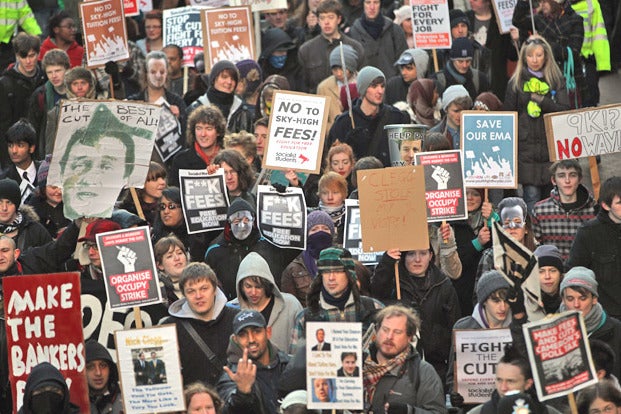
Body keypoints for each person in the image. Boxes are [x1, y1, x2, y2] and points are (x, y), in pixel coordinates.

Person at [371, 243, 461, 382]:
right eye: (411, 253)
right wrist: (387, 262)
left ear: (431, 256)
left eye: (423, 253)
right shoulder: (394, 282)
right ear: (403, 257)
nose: (417, 259)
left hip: (437, 365)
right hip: (399, 364)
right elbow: (377, 291)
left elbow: (455, 327)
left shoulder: (443, 285)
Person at [503, 35, 570, 211]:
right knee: (531, 199)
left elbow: (564, 111)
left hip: (550, 150)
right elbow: (509, 117)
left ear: (546, 56)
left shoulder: (556, 79)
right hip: (527, 152)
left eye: (539, 55)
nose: (535, 60)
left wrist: (542, 101)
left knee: (552, 201)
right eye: (530, 56)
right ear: (524, 58)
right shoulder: (516, 82)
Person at [58, 104, 152, 219]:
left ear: (126, 175)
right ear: (62, 170)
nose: (90, 180)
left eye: (106, 167)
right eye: (80, 165)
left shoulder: (128, 227)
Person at [290, 247, 384, 353]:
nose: (331, 277)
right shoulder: (305, 317)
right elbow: (294, 363)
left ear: (349, 274)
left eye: (338, 271)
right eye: (326, 272)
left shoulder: (374, 308)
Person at [206, 198, 298, 301]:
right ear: (229, 224)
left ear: (253, 221)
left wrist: (284, 198)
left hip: (268, 304)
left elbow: (294, 244)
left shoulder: (268, 243)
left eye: (246, 220)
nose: (242, 226)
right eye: (237, 221)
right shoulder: (215, 250)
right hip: (233, 308)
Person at [163, 262, 238, 386]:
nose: (198, 296)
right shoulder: (170, 328)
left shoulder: (237, 319)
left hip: (233, 400)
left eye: (204, 289)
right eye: (191, 291)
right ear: (184, 294)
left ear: (214, 289)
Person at [363, 305, 447, 414]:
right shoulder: (355, 366)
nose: (389, 336)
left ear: (409, 337)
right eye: (385, 330)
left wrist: (409, 411)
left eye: (397, 332)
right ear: (377, 330)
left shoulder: (423, 372)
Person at [448, 270, 512, 410]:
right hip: (472, 408)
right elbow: (451, 376)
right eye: (495, 300)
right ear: (483, 301)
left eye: (506, 300)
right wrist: (455, 393)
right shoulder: (464, 328)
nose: (502, 307)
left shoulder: (516, 329)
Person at [327, 66, 410, 167]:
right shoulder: (344, 122)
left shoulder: (396, 117)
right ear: (363, 88)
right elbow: (331, 160)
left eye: (382, 86)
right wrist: (349, 146)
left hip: (390, 179)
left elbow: (408, 156)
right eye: (374, 86)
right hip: (357, 180)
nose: (380, 91)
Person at [567, 176, 621, 319]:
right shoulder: (588, 233)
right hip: (605, 316)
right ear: (606, 205)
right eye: (620, 203)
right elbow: (574, 273)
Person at [217, 310, 289, 414]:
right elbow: (226, 410)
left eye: (256, 331)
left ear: (268, 332)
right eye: (243, 334)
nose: (251, 339)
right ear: (235, 339)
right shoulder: (232, 375)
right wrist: (242, 393)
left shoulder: (288, 364)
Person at [229, 252, 303, 352]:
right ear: (240, 286)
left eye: (258, 287)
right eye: (248, 286)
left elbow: (302, 347)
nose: (253, 292)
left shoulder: (291, 305)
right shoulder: (230, 310)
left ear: (267, 284)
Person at [127, 50, 187, 166]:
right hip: (142, 166)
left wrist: (179, 119)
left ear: (167, 73)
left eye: (162, 72)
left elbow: (186, 139)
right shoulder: (134, 102)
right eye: (153, 72)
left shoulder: (177, 102)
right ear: (146, 73)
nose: (158, 76)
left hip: (169, 166)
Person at [532, 159, 596, 261]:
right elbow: (537, 246)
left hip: (584, 270)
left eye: (572, 175)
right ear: (554, 180)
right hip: (552, 271)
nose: (567, 181)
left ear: (580, 179)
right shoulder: (540, 210)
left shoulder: (594, 210)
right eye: (561, 176)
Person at [467, 345, 560, 414]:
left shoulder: (547, 412)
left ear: (528, 383)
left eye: (510, 381)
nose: (503, 388)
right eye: (499, 380)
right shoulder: (480, 412)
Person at [297, 0, 365, 93]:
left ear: (339, 19)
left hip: (347, 103)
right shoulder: (306, 50)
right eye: (322, 18)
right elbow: (303, 87)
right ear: (318, 20)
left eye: (331, 17)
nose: (326, 22)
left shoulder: (355, 47)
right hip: (317, 102)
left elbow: (362, 82)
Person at [0, 33, 46, 167]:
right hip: (17, 151)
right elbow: (3, 125)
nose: (28, 61)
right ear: (16, 56)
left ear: (38, 53)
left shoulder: (46, 76)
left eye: (32, 55)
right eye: (23, 56)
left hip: (42, 145)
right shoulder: (5, 84)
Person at [452, 188, 498, 316]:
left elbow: (502, 247)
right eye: (466, 193)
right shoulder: (449, 223)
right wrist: (477, 244)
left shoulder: (493, 218)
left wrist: (493, 220)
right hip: (461, 293)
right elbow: (452, 262)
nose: (470, 198)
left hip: (488, 290)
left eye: (476, 194)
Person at [281, 210, 335, 306]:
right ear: (306, 235)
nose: (320, 233)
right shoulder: (293, 269)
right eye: (314, 229)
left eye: (325, 228)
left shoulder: (344, 260)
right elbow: (291, 306)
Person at [186, 60, 254, 133]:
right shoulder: (195, 109)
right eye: (224, 77)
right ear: (214, 79)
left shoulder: (243, 112)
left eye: (233, 78)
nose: (229, 82)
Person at [348, 0, 408, 78]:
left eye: (376, 2)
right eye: (368, 2)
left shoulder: (395, 30)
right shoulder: (353, 32)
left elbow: (403, 60)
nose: (372, 7)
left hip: (391, 85)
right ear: (363, 4)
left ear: (380, 5)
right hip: (364, 85)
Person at [170, 105, 226, 188]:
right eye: (199, 128)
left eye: (208, 129)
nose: (203, 134)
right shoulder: (181, 160)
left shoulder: (227, 158)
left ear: (218, 132)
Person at [27, 49, 69, 153]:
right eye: (49, 72)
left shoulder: (77, 90)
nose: (54, 76)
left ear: (67, 69)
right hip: (49, 151)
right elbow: (33, 128)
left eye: (58, 71)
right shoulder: (40, 95)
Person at [570, 0, 611, 107]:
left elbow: (599, 34)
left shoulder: (592, 4)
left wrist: (602, 63)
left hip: (587, 59)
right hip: (567, 59)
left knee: (590, 98)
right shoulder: (558, 5)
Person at [316, 44, 359, 134]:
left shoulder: (363, 83)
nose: (339, 73)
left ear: (351, 66)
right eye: (335, 69)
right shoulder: (324, 87)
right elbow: (320, 120)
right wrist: (333, 131)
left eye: (342, 69)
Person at [2, 119, 40, 204]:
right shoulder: (3, 180)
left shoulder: (46, 172)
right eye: (10, 145)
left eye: (20, 145)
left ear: (31, 148)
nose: (14, 151)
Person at [118, 161, 167, 226]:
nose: (162, 182)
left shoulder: (169, 208)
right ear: (141, 183)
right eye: (155, 179)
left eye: (163, 178)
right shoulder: (126, 211)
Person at [85, 340, 123, 414]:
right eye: (90, 367)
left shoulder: (125, 401)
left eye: (103, 365)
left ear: (110, 369)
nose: (98, 373)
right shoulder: (75, 405)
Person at [430, 85, 472, 150]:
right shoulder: (434, 134)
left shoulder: (475, 133)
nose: (460, 115)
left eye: (464, 110)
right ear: (446, 109)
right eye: (456, 111)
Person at [154, 235, 188, 305]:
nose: (177, 258)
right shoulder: (156, 294)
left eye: (180, 253)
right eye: (170, 256)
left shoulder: (202, 279)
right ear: (160, 265)